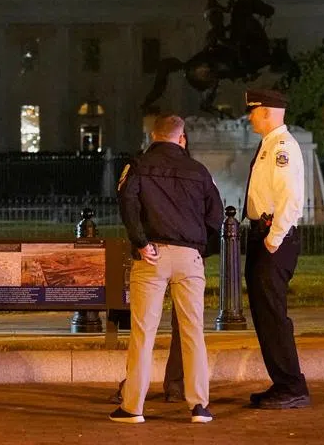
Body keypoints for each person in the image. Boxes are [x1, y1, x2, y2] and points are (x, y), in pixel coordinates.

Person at [111, 114, 223, 425]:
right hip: (189, 257)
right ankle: (199, 406)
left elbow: (127, 203)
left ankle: (133, 406)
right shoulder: (199, 171)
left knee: (143, 334)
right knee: (193, 333)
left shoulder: (138, 166)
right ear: (181, 138)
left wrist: (140, 242)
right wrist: (199, 249)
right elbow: (215, 217)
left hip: (152, 256)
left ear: (153, 136)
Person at [243, 88, 312, 409]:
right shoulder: (270, 145)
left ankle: (292, 386)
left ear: (267, 111)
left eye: (253, 111)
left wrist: (273, 240)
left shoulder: (282, 147)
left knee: (273, 316)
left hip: (274, 240)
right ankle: (284, 383)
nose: (249, 116)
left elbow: (290, 199)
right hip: (263, 237)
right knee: (265, 316)